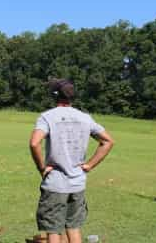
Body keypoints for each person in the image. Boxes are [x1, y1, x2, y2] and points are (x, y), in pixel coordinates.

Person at [29, 79, 115, 243]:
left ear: (55, 95)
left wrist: (41, 167)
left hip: (55, 184)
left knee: (54, 230)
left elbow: (34, 143)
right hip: (78, 184)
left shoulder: (47, 117)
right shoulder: (85, 117)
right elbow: (108, 141)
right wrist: (89, 165)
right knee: (74, 228)